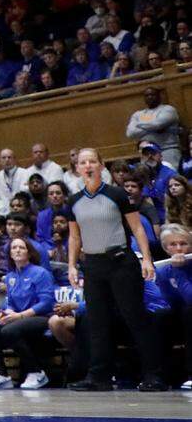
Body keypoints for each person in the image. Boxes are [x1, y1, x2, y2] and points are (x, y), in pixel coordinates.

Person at [65, 148, 167, 391]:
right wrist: (71, 266)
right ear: (77, 168)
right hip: (93, 266)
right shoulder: (73, 201)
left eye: (92, 161)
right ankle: (99, 376)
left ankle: (154, 374)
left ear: (101, 165)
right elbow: (74, 237)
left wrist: (147, 260)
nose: (88, 166)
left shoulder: (117, 194)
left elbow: (138, 229)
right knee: (96, 321)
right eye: (83, 162)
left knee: (135, 318)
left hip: (121, 262)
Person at [0, 236, 56, 389]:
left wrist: (20, 315)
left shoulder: (40, 273)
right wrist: (6, 312)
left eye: (21, 247)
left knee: (9, 330)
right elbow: (11, 303)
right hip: (18, 317)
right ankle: (1, 375)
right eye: (14, 248)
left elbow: (46, 303)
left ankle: (37, 373)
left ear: (29, 252)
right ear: (10, 254)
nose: (17, 250)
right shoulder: (11, 276)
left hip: (40, 317)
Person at [155, 224, 192, 389]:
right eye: (173, 245)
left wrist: (179, 271)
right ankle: (162, 375)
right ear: (166, 249)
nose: (179, 249)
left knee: (190, 312)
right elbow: (170, 300)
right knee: (161, 316)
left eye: (183, 243)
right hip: (182, 313)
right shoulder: (163, 271)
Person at [126, 87, 182, 166]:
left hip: (167, 149)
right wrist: (153, 129)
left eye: (152, 95)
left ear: (159, 96)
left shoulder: (168, 110)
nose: (150, 97)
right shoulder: (138, 114)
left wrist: (138, 124)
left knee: (172, 176)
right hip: (147, 152)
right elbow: (130, 133)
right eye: (147, 95)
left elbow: (157, 124)